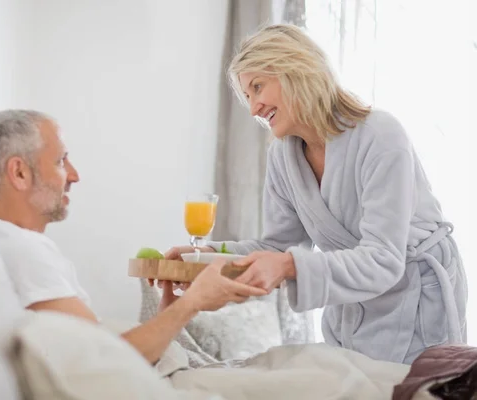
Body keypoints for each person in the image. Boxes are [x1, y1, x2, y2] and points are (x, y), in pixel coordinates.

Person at [166, 24, 467, 364]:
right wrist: (208, 255)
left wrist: (290, 265)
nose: (253, 109)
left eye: (258, 86)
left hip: (415, 299)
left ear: (294, 67)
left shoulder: (380, 135)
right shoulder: (283, 156)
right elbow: (277, 248)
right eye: (247, 96)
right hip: (352, 303)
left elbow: (384, 258)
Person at [0, 109, 267, 365]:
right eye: (61, 161)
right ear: (19, 173)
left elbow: (111, 361)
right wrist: (193, 302)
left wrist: (174, 303)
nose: (74, 175)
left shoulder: (6, 244)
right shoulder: (20, 251)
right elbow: (108, 363)